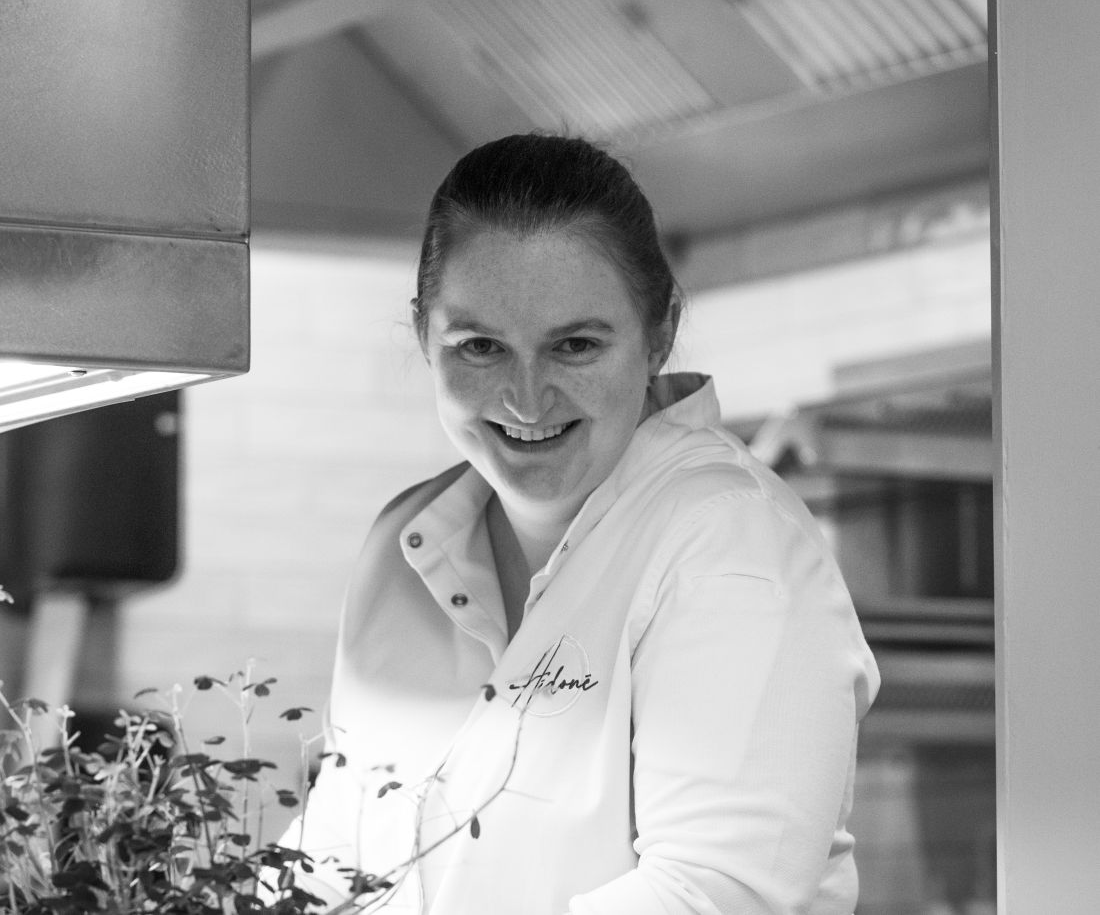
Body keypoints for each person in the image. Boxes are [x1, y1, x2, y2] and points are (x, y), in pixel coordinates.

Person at [280, 133, 879, 914]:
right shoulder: (403, 543)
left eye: (575, 346)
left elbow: (714, 895)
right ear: (424, 333)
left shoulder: (729, 546)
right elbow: (336, 859)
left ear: (659, 334)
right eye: (481, 347)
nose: (526, 399)